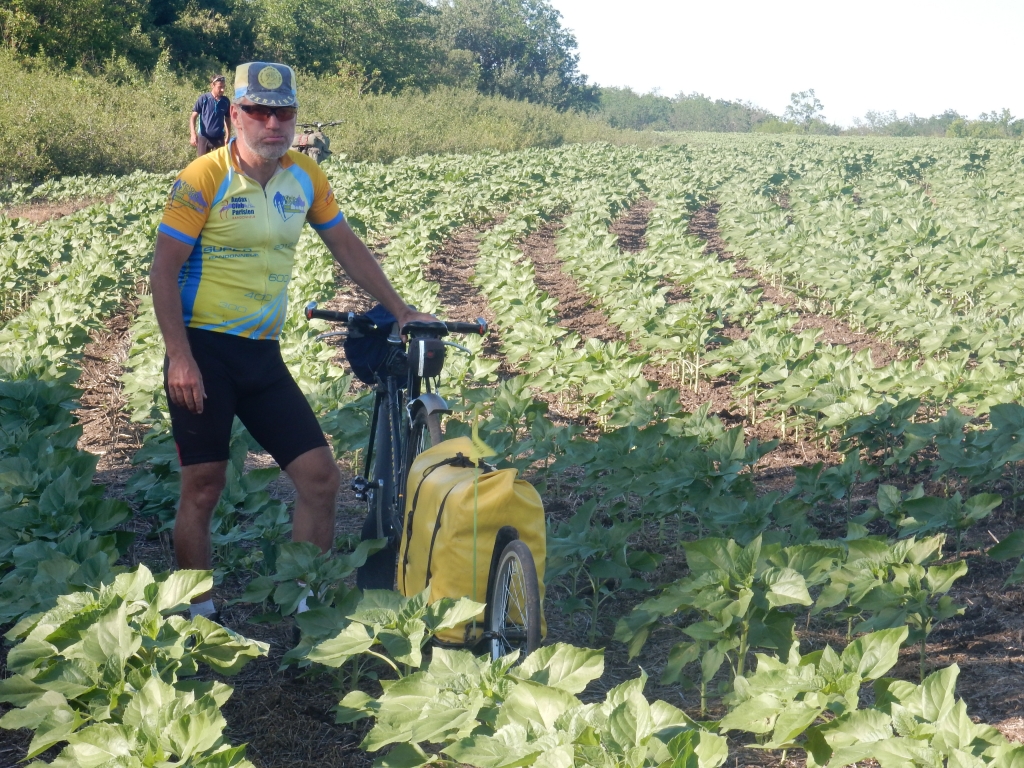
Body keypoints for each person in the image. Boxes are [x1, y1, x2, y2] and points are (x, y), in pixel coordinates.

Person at [151, 62, 435, 620]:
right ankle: (197, 617)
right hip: (203, 352)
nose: (272, 123)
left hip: (261, 355)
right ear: (235, 115)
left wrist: (401, 309)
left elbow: (345, 245)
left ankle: (309, 607)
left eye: (283, 113)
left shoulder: (305, 176)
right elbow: (163, 270)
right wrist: (179, 356)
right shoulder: (203, 177)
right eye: (259, 111)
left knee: (320, 479)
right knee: (203, 487)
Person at [190, 75, 231, 156]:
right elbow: (193, 117)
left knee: (219, 162)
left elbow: (227, 118)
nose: (222, 89)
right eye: (220, 87)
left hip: (219, 137)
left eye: (224, 87)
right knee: (202, 162)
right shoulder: (204, 98)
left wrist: (228, 135)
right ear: (212, 85)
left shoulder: (225, 101)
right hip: (204, 137)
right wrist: (193, 134)